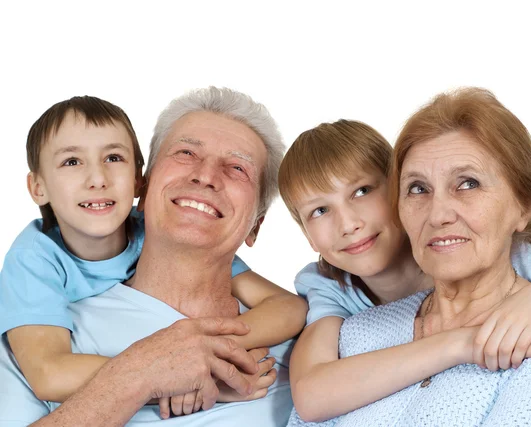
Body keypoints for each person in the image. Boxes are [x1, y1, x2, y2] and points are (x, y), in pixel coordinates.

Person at [288, 87, 531, 426]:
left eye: (467, 183)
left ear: (523, 206)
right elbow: (310, 398)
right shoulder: (351, 333)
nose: (438, 215)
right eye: (418, 188)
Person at [0, 87, 305, 426]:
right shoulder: (38, 329)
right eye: (186, 152)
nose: (205, 176)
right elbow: (48, 374)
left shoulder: (315, 340)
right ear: (144, 189)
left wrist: (209, 352)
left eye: (236, 168)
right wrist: (146, 372)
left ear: (256, 225)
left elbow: (291, 308)